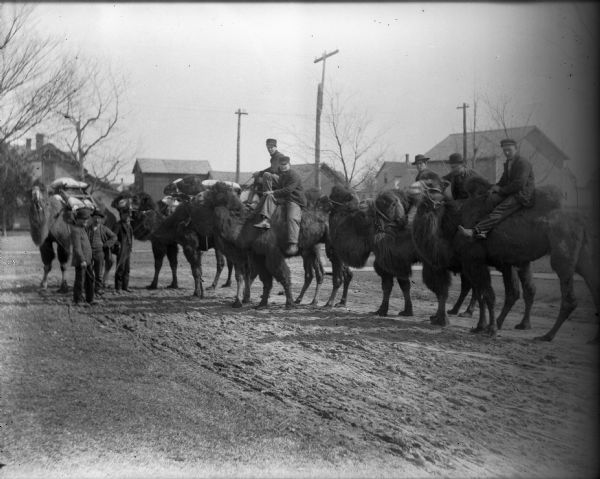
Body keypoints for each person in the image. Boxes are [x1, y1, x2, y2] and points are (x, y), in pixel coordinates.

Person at [458, 138, 535, 240]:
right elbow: (503, 180)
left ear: (516, 149)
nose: (506, 152)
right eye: (504, 150)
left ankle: (476, 231)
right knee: (490, 199)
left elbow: (519, 184)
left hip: (521, 195)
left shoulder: (523, 163)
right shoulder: (508, 162)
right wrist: (494, 188)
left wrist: (501, 190)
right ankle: (487, 229)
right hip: (511, 191)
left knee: (500, 210)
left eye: (509, 150)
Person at [253, 155, 306, 256]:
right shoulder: (281, 172)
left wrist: (273, 192)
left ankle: (293, 244)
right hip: (284, 196)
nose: (283, 167)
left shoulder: (294, 175)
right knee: (267, 175)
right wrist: (268, 190)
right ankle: (266, 220)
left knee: (292, 218)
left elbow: (288, 190)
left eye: (285, 165)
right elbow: (271, 176)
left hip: (294, 198)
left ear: (289, 164)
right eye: (281, 165)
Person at [86, 209, 118, 297]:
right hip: (89, 253)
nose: (97, 220)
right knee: (88, 271)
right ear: (92, 218)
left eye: (99, 218)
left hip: (100, 253)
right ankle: (88, 288)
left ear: (101, 219)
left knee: (99, 272)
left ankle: (98, 289)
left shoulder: (104, 229)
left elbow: (114, 237)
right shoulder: (87, 229)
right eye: (95, 218)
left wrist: (107, 244)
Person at [70, 207, 95, 305]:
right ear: (78, 219)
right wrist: (82, 260)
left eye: (87, 219)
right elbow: (77, 248)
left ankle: (90, 299)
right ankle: (78, 300)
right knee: (80, 281)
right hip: (81, 261)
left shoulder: (82, 229)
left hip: (87, 260)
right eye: (84, 219)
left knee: (90, 280)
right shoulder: (76, 230)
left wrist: (89, 259)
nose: (86, 221)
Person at [113, 209, 133, 292]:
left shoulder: (129, 225)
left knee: (127, 269)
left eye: (129, 215)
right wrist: (118, 244)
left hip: (128, 249)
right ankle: (118, 287)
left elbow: (130, 238)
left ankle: (125, 286)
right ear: (121, 215)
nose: (128, 216)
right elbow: (113, 236)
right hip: (121, 250)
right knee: (120, 268)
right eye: (126, 215)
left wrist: (131, 247)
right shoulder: (118, 225)